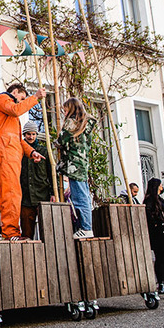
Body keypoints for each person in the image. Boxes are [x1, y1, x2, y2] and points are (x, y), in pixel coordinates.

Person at [0, 83, 46, 241]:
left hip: (9, 149)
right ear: (14, 92)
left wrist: (31, 152)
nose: (22, 102)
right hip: (6, 150)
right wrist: (35, 97)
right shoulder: (3, 98)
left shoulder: (8, 117)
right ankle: (11, 233)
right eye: (22, 97)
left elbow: (18, 139)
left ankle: (11, 231)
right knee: (10, 192)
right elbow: (16, 110)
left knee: (12, 192)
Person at [56, 98, 97, 239]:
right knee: (84, 195)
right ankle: (85, 226)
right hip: (82, 163)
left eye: (65, 109)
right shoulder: (85, 123)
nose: (64, 112)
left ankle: (86, 228)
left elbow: (62, 139)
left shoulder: (72, 122)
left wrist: (57, 142)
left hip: (73, 164)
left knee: (79, 197)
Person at [20, 121, 55, 239]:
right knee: (26, 233)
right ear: (24, 135)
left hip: (42, 195)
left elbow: (51, 173)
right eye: (28, 134)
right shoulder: (20, 151)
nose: (31, 137)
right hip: (25, 197)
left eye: (33, 134)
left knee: (47, 231)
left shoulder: (44, 151)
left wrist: (53, 193)